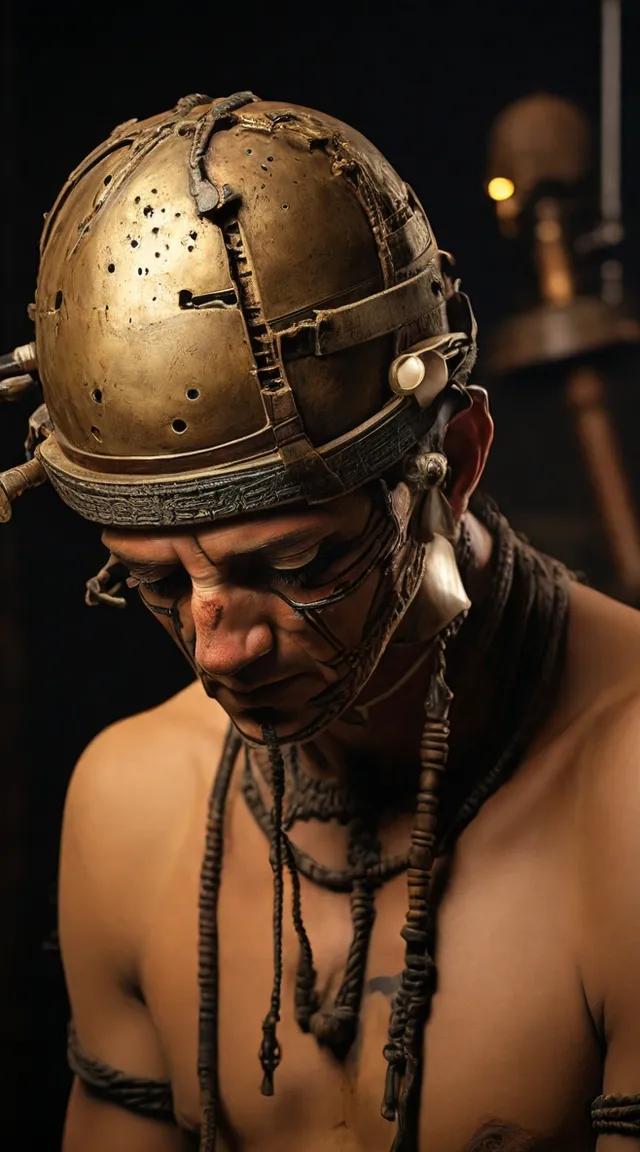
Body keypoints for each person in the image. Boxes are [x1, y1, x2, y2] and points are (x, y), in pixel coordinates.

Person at [2, 91, 640, 1152]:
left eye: (296, 563)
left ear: (461, 462)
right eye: (156, 584)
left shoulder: (625, 797)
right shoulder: (131, 807)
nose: (219, 650)